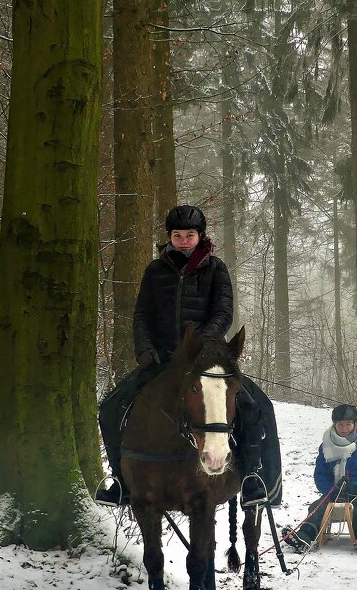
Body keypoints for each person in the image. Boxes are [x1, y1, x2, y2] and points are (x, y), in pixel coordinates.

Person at [94, 204, 279, 508]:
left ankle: (254, 479)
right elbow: (142, 314)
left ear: (200, 236)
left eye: (189, 235)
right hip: (163, 359)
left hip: (204, 359)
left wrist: (201, 344)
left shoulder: (215, 268)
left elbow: (224, 312)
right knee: (112, 408)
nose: (183, 240)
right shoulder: (155, 270)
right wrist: (144, 348)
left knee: (256, 405)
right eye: (177, 235)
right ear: (169, 237)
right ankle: (120, 482)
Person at [282, 404, 357, 556]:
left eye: (348, 424)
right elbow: (320, 475)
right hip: (333, 493)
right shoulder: (325, 446)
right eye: (340, 424)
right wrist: (331, 489)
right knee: (316, 508)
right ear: (334, 424)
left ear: (355, 424)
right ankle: (305, 537)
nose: (344, 428)